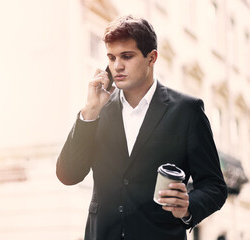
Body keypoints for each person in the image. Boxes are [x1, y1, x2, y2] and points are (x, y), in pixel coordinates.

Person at [56, 15, 227, 240]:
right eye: (111, 57)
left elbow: (215, 186)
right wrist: (89, 112)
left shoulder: (187, 111)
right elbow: (68, 174)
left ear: (151, 58)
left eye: (127, 56)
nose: (117, 66)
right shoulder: (98, 111)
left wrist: (188, 207)